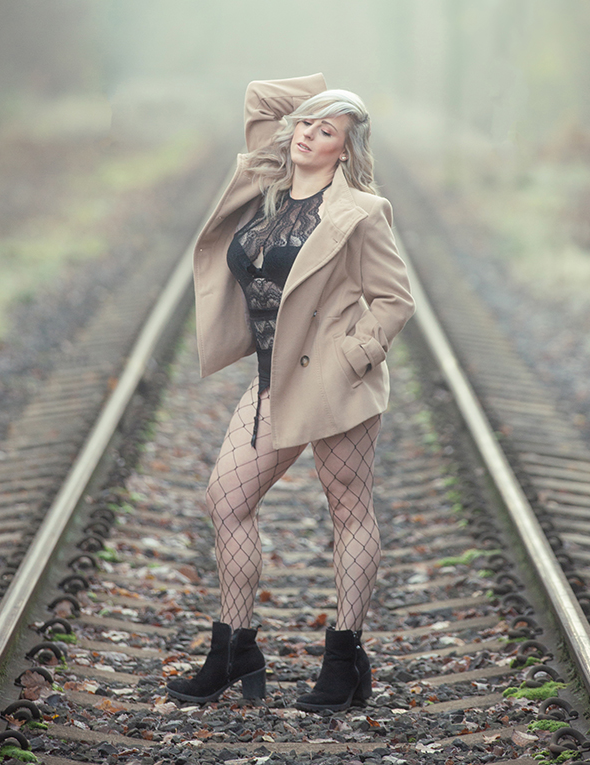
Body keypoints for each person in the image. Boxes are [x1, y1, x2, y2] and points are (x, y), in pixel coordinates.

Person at [167, 74, 415, 713]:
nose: (306, 134)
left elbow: (394, 299)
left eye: (325, 131)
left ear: (346, 149)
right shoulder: (268, 182)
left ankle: (344, 659)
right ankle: (234, 647)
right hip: (273, 378)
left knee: (348, 510)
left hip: (334, 383)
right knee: (227, 499)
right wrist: (324, 98)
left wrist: (355, 356)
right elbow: (258, 96)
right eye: (304, 125)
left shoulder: (361, 211)